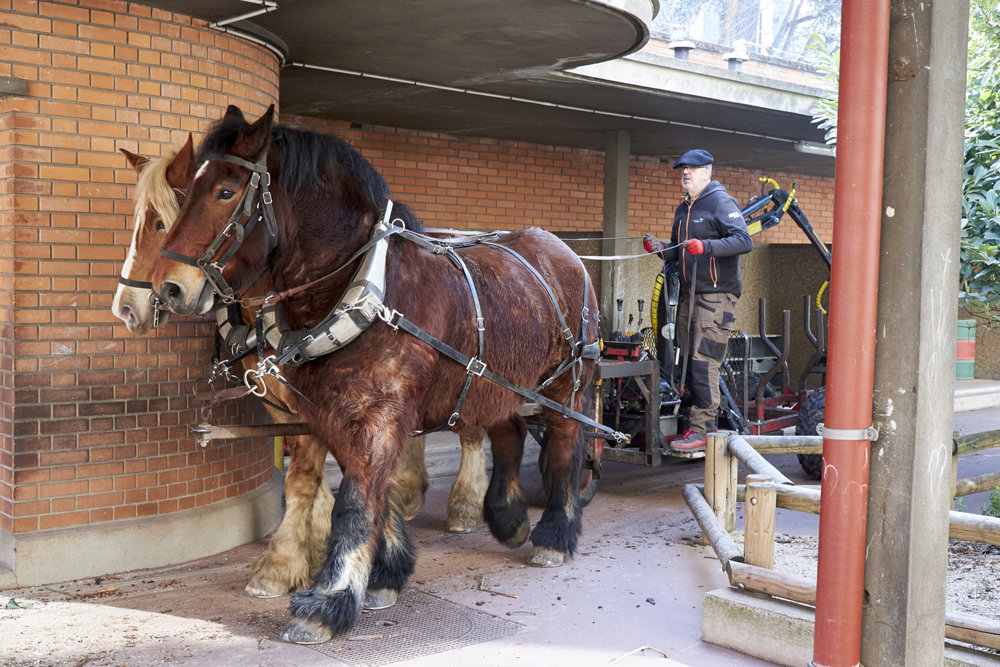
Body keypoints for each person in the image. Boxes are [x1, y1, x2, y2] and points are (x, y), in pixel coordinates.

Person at [643, 149, 752, 451]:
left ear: (707, 172)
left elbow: (744, 241)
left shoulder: (720, 202)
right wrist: (660, 248)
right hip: (690, 296)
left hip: (717, 296)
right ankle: (692, 423)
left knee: (704, 362)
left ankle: (703, 430)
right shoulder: (683, 209)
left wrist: (706, 246)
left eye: (692, 169)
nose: (685, 173)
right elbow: (680, 252)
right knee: (687, 359)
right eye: (682, 169)